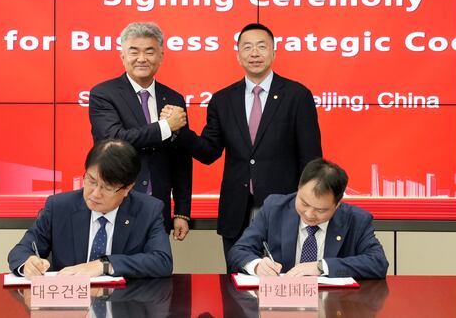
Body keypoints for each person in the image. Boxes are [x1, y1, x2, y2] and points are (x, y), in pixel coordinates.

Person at [163, 22, 322, 267]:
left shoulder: (297, 95)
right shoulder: (223, 99)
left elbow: (310, 158)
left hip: (285, 210)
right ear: (238, 56)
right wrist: (180, 131)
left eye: (261, 47)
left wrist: (309, 207)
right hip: (236, 212)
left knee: (282, 281)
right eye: (247, 47)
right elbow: (208, 152)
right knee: (236, 282)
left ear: (274, 52)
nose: (254, 53)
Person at [7, 139, 173, 278]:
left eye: (107, 188)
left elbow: (162, 261)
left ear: (127, 188)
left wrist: (104, 265)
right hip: (70, 302)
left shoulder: (148, 210)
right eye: (91, 181)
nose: (95, 193)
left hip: (124, 301)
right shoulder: (59, 207)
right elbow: (21, 251)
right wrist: (28, 262)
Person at [89, 22, 192, 240]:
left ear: (161, 56)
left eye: (149, 52)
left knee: (157, 261)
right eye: (134, 52)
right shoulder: (103, 94)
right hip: (115, 203)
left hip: (158, 209)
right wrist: (165, 127)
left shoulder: (174, 99)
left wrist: (182, 211)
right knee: (113, 261)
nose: (142, 58)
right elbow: (115, 140)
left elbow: (181, 160)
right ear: (122, 56)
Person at [227, 158, 388, 279]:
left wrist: (321, 267)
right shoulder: (274, 209)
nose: (309, 214)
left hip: (335, 305)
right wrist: (256, 266)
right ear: (299, 188)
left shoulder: (356, 220)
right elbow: (238, 250)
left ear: (337, 204)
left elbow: (378, 262)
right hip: (282, 304)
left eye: (320, 210)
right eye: (304, 203)